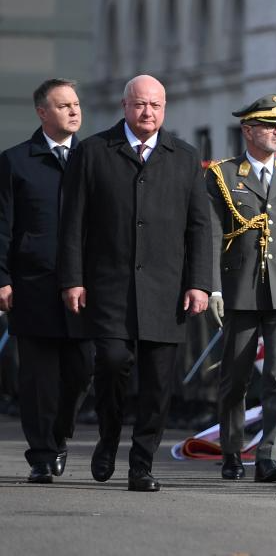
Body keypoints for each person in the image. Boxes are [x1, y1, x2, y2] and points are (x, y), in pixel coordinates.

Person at [59, 74, 212, 493]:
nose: (148, 112)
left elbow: (199, 227)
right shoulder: (93, 152)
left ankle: (141, 464)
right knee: (111, 363)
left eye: (156, 105)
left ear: (164, 109)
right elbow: (72, 222)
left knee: (159, 383)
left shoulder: (184, 156)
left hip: (166, 289)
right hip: (109, 286)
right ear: (125, 106)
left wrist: (199, 282)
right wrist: (72, 279)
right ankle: (108, 437)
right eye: (141, 104)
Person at [0, 79, 91, 484]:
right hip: (33, 283)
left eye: (76, 104)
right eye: (63, 105)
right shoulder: (16, 161)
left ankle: (58, 434)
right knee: (38, 378)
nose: (73, 111)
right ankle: (41, 454)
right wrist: (2, 278)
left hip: (85, 285)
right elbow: (2, 226)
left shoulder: (92, 159)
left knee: (82, 369)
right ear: (42, 112)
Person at [206, 94, 276, 483]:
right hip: (239, 288)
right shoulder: (223, 174)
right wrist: (213, 288)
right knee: (236, 377)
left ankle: (269, 456)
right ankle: (231, 450)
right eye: (269, 125)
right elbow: (212, 235)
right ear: (247, 130)